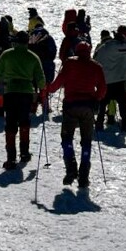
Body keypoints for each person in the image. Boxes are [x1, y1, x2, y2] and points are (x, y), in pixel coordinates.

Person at [45, 41, 106, 189]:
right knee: (86, 141)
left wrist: (47, 89)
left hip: (71, 106)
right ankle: (84, 175)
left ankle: (71, 168)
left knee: (66, 138)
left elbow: (56, 84)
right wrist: (95, 99)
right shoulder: (96, 66)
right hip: (88, 107)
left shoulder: (70, 64)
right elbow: (103, 89)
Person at [0, 29, 46, 170]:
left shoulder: (7, 54)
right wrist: (42, 90)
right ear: (27, 42)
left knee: (10, 122)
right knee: (24, 122)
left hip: (10, 91)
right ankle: (25, 153)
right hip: (26, 92)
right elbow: (40, 78)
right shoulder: (33, 57)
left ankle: (11, 157)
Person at [93, 28, 126, 132]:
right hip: (117, 81)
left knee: (103, 103)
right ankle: (125, 123)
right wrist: (124, 39)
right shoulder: (115, 47)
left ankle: (99, 123)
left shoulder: (100, 49)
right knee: (122, 104)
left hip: (104, 81)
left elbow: (94, 62)